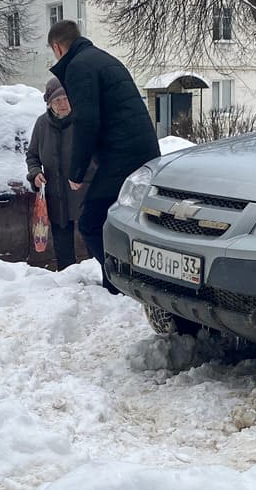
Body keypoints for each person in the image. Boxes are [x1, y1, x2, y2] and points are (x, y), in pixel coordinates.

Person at [48, 19, 160, 293]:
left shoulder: (78, 67)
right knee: (117, 220)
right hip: (140, 152)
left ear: (58, 48)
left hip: (123, 155)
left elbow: (87, 121)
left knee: (91, 222)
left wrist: (77, 171)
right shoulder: (101, 59)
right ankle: (120, 281)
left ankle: (119, 283)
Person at [25, 78, 90, 269]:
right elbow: (32, 155)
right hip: (56, 197)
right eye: (57, 100)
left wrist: (83, 175)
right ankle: (67, 280)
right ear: (49, 104)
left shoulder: (83, 122)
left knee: (93, 244)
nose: (63, 104)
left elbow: (99, 156)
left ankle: (98, 280)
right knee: (63, 253)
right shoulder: (42, 124)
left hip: (85, 194)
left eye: (66, 98)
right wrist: (35, 174)